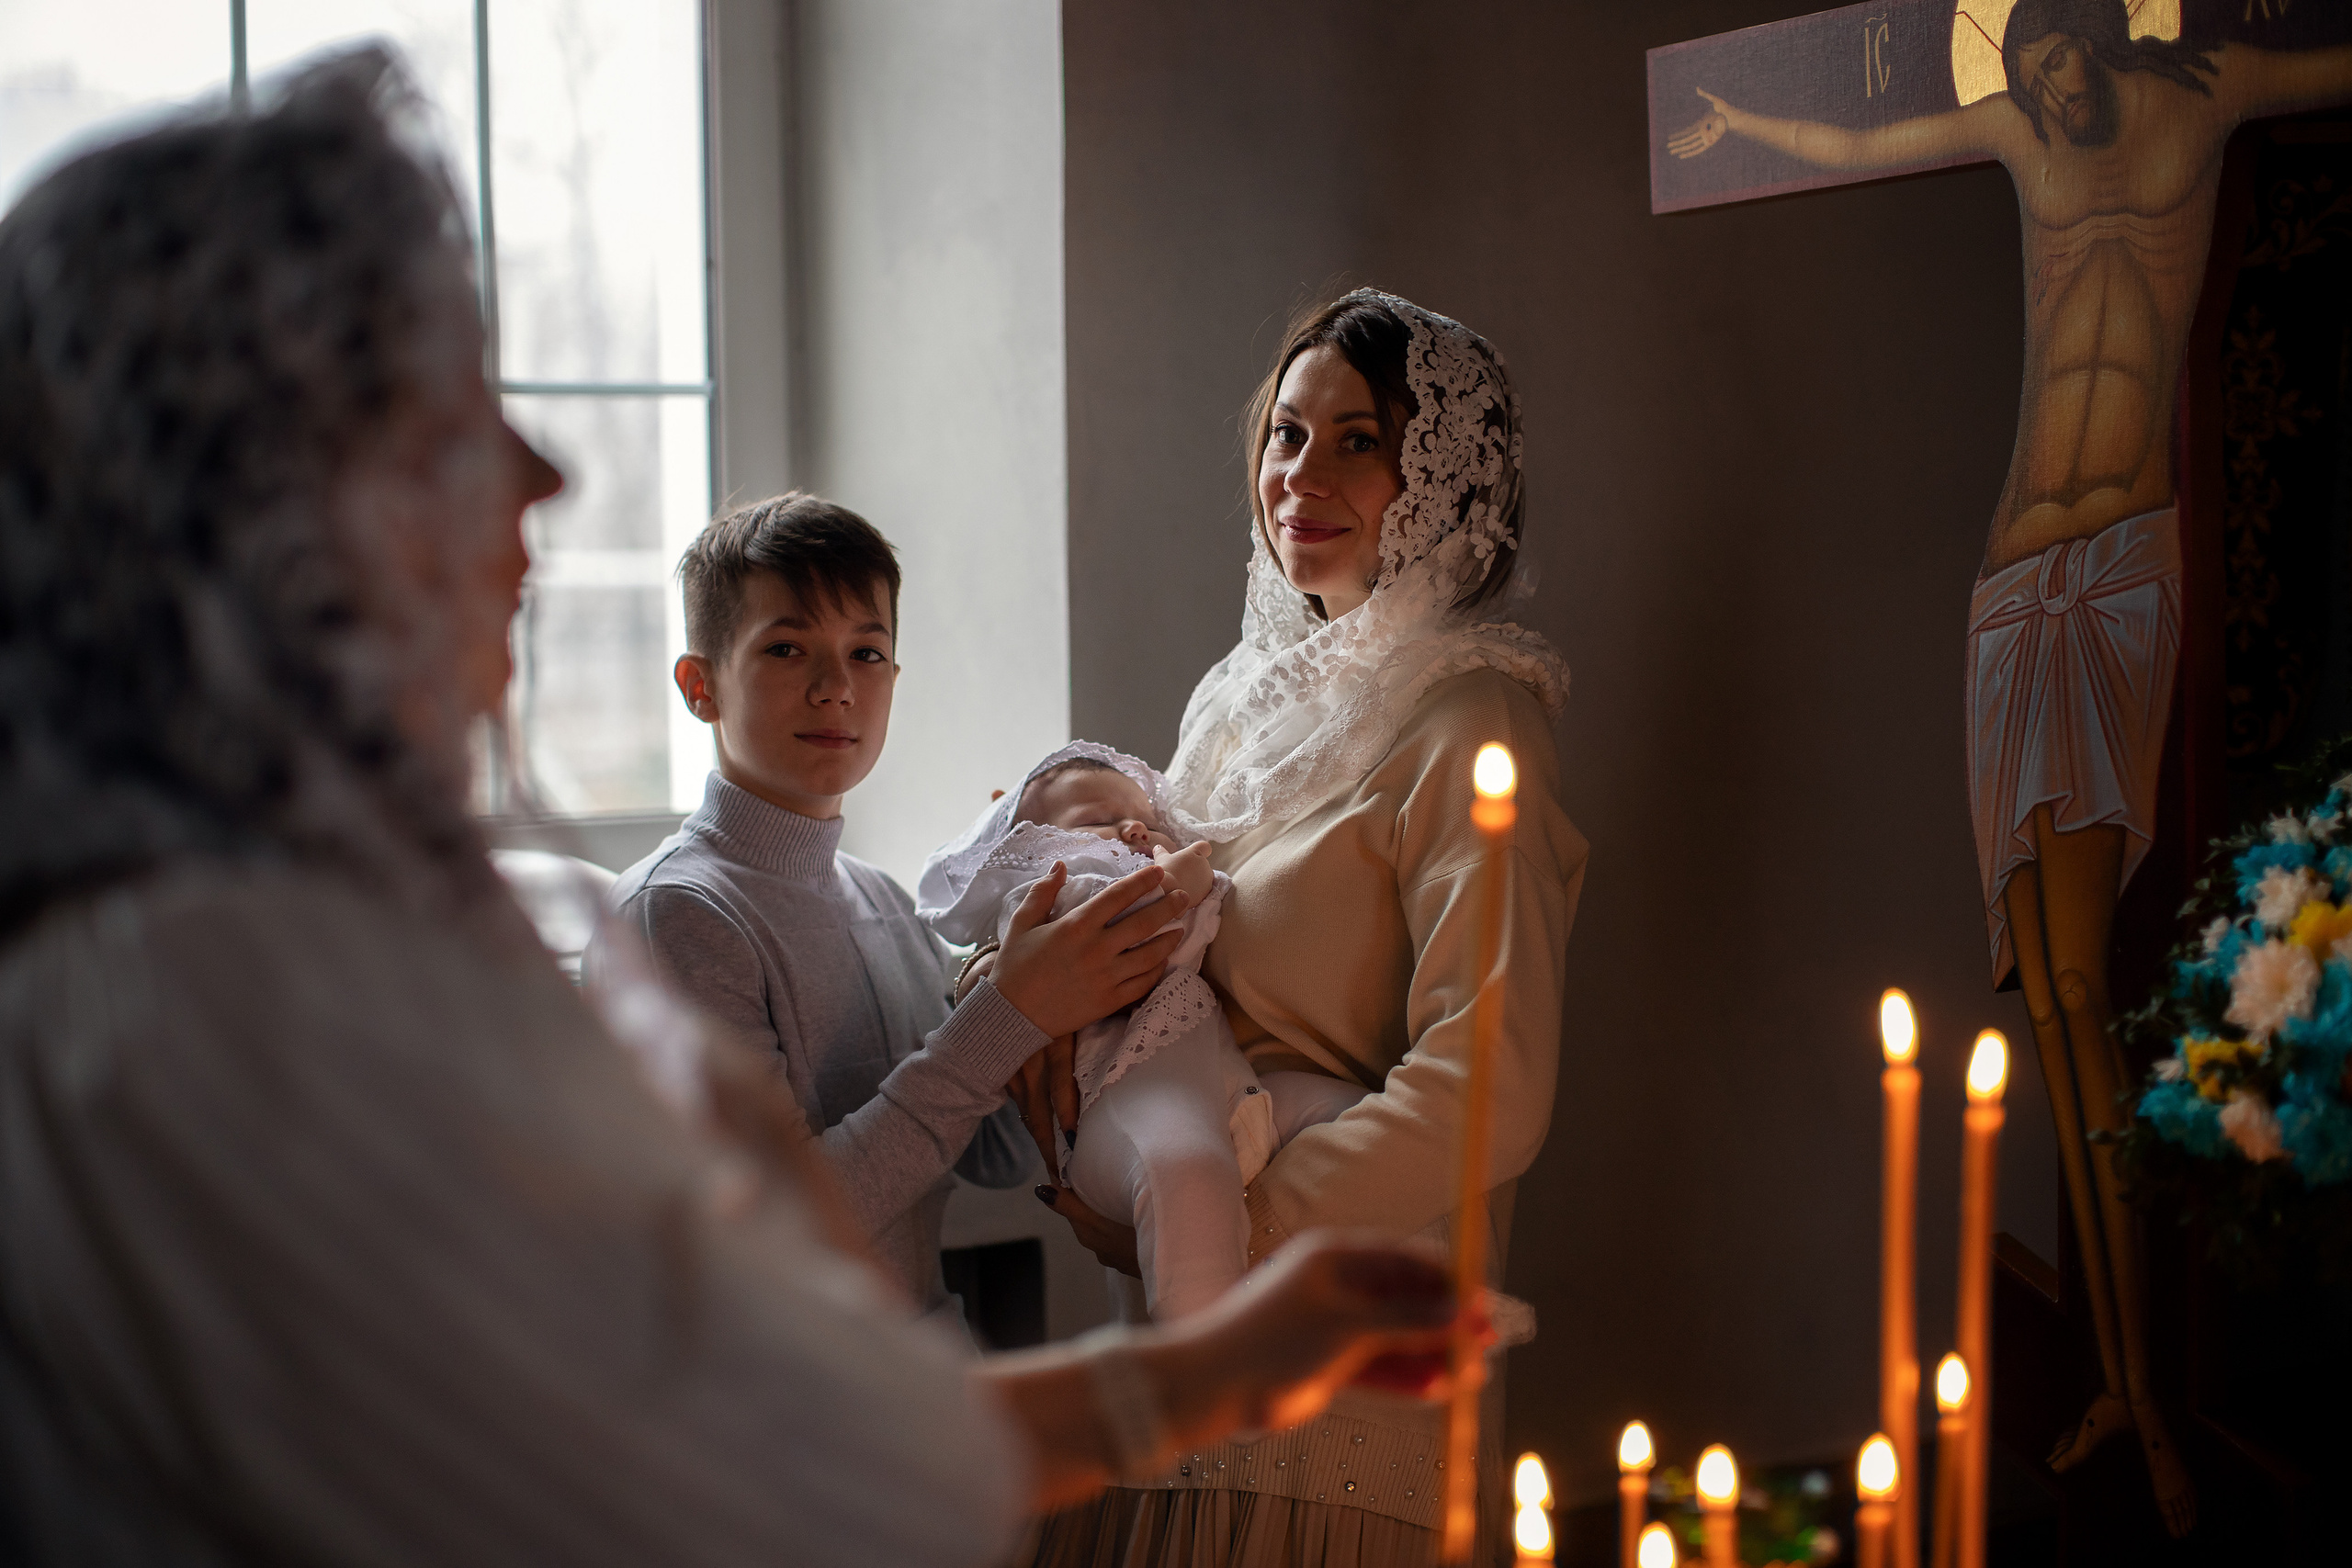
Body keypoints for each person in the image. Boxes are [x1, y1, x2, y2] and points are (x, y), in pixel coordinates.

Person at [0, 54, 1474, 1566]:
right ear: (260, 507)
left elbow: (736, 1377)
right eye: (444, 415)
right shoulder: (187, 1004)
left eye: (868, 652)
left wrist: (1197, 1339)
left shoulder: (343, 935)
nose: (543, 470)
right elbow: (669, 1449)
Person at [1667, 3, 2352, 1532]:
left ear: (2112, 42)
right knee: (2043, 1002)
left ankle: (2152, 1392)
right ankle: (2120, 1378)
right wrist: (1737, 124)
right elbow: (1861, 128)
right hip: (2008, 586)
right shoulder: (2019, 135)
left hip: (2117, 570)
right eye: (2030, 67)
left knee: (2088, 984)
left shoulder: (2206, 93)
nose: (2052, 88)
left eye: (2068, 62)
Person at [1033, 290, 1587, 1567]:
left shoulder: (1474, 721)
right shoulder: (1240, 701)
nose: (1304, 475)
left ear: (1443, 479)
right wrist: (1022, 1010)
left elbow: (1490, 1085)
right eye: (1287, 433)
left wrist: (1233, 1226)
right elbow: (1154, 928)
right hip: (1189, 1298)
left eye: (1359, 441)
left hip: (1348, 1324)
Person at [584, 493, 1187, 1326]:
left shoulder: (884, 901)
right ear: (700, 686)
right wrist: (1010, 1013)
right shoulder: (671, 916)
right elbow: (777, 1232)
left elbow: (995, 1156)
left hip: (920, 1368)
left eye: (866, 653)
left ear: (894, 680)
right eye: (787, 648)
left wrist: (1049, 989)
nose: (836, 687)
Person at [919, 743, 1367, 1322]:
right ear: (1034, 850)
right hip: (1119, 1102)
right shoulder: (1051, 898)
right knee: (1185, 1167)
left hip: (1229, 1090)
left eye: (1147, 820)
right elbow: (1118, 923)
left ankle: (1413, 1300)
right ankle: (1203, 1360)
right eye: (1099, 821)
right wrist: (1177, 875)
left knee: (1350, 1117)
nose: (1134, 828)